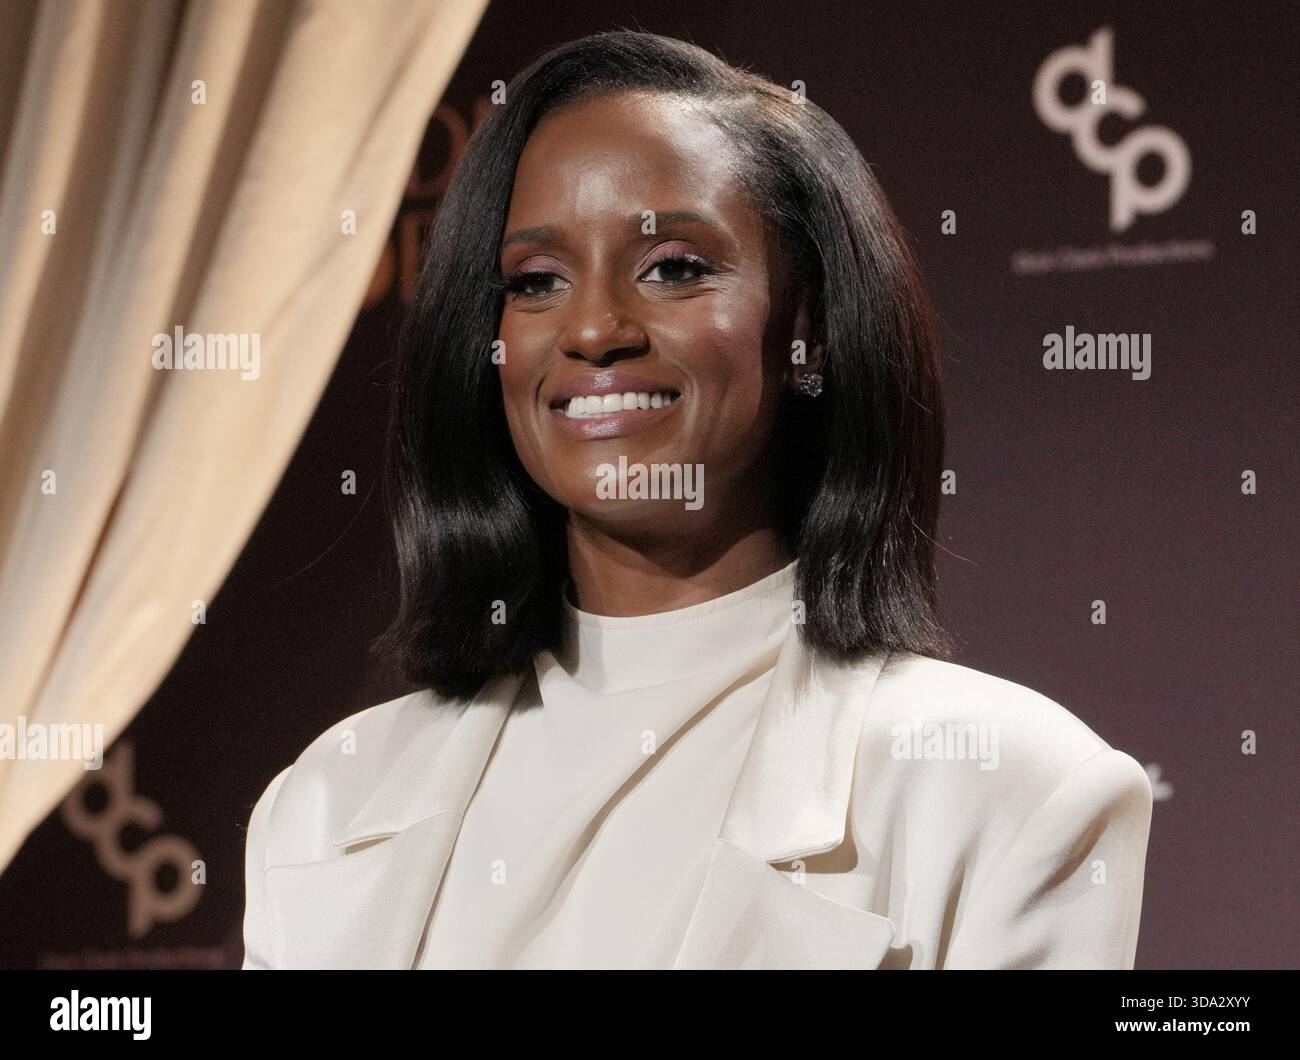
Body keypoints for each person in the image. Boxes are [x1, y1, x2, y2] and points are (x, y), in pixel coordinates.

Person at [241, 30, 1153, 970]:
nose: (593, 327)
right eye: (537, 281)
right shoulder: (324, 803)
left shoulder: (1010, 788)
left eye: (674, 267)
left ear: (812, 328)